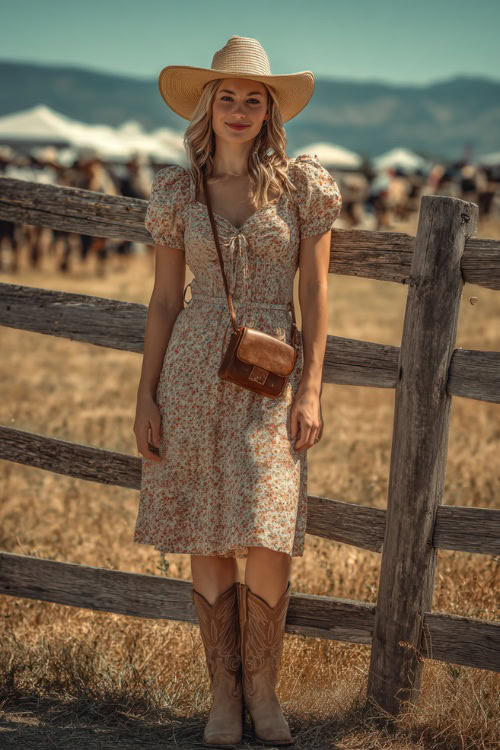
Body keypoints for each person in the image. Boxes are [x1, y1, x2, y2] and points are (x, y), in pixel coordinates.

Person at [132, 35, 342, 747]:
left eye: (255, 99)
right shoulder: (178, 191)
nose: (241, 109)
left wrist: (312, 388)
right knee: (208, 529)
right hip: (191, 372)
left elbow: (314, 292)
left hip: (271, 379)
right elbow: (164, 302)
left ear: (271, 109)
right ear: (208, 105)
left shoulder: (301, 186)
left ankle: (265, 693)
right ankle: (223, 698)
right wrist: (145, 397)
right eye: (229, 97)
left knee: (267, 526)